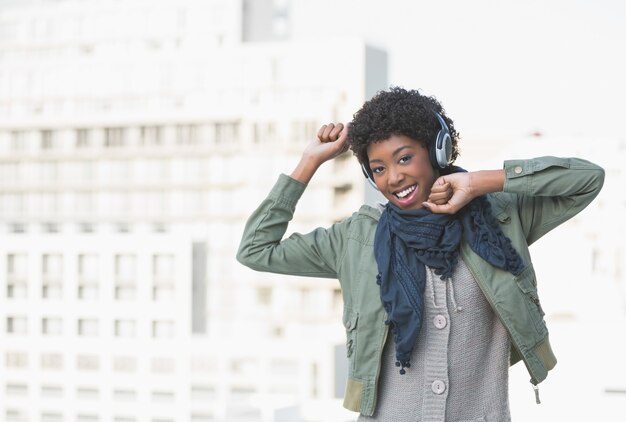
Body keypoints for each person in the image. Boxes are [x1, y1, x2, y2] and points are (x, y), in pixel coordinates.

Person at [236, 87, 605, 421]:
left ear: (436, 150)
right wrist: (310, 162)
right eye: (378, 168)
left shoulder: (501, 216)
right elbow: (255, 249)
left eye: (404, 158)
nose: (392, 177)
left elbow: (588, 180)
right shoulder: (357, 238)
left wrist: (480, 181)